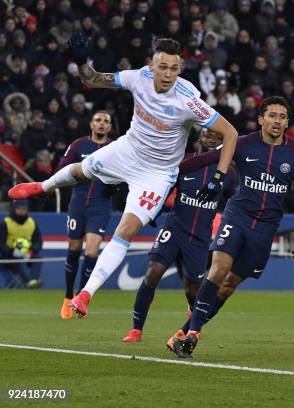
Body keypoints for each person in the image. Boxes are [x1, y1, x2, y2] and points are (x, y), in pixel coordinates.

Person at [8, 35, 238, 317]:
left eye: (174, 68)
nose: (167, 74)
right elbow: (91, 79)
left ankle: (84, 295)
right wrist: (81, 61)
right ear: (151, 65)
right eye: (162, 66)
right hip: (128, 150)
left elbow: (230, 132)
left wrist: (218, 176)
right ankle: (41, 186)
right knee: (81, 171)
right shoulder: (136, 78)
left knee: (125, 231)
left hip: (157, 174)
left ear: (180, 69)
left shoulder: (188, 100)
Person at [169, 96, 294, 358]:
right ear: (261, 119)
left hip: (266, 228)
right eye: (272, 115)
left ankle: (182, 333)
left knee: (229, 285)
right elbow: (207, 158)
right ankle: (193, 336)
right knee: (219, 269)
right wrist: (166, 169)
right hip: (237, 217)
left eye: (282, 117)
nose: (277, 121)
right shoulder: (243, 144)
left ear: (287, 122)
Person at [121, 129, 236, 344]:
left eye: (217, 137)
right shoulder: (184, 164)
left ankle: (192, 324)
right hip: (174, 228)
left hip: (200, 237)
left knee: (193, 287)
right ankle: (136, 330)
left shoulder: (228, 174)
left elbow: (232, 201)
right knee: (153, 273)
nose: (211, 138)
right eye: (207, 134)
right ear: (198, 139)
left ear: (222, 143)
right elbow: (163, 189)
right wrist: (152, 212)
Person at [57, 111, 114, 319]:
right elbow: (61, 169)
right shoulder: (78, 145)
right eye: (98, 120)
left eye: (106, 121)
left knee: (91, 253)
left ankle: (81, 298)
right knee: (73, 248)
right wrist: (80, 171)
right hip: (78, 203)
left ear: (109, 127)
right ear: (91, 124)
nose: (101, 124)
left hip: (100, 205)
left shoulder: (114, 148)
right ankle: (67, 296)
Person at [0, 200, 43, 288]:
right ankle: (28, 283)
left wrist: (31, 251)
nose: (21, 211)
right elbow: (1, 244)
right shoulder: (6, 223)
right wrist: (12, 252)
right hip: (8, 255)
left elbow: (38, 241)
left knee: (37, 258)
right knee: (16, 262)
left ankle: (33, 280)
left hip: (27, 253)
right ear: (14, 209)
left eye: (23, 209)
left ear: (27, 209)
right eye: (18, 208)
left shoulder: (31, 222)